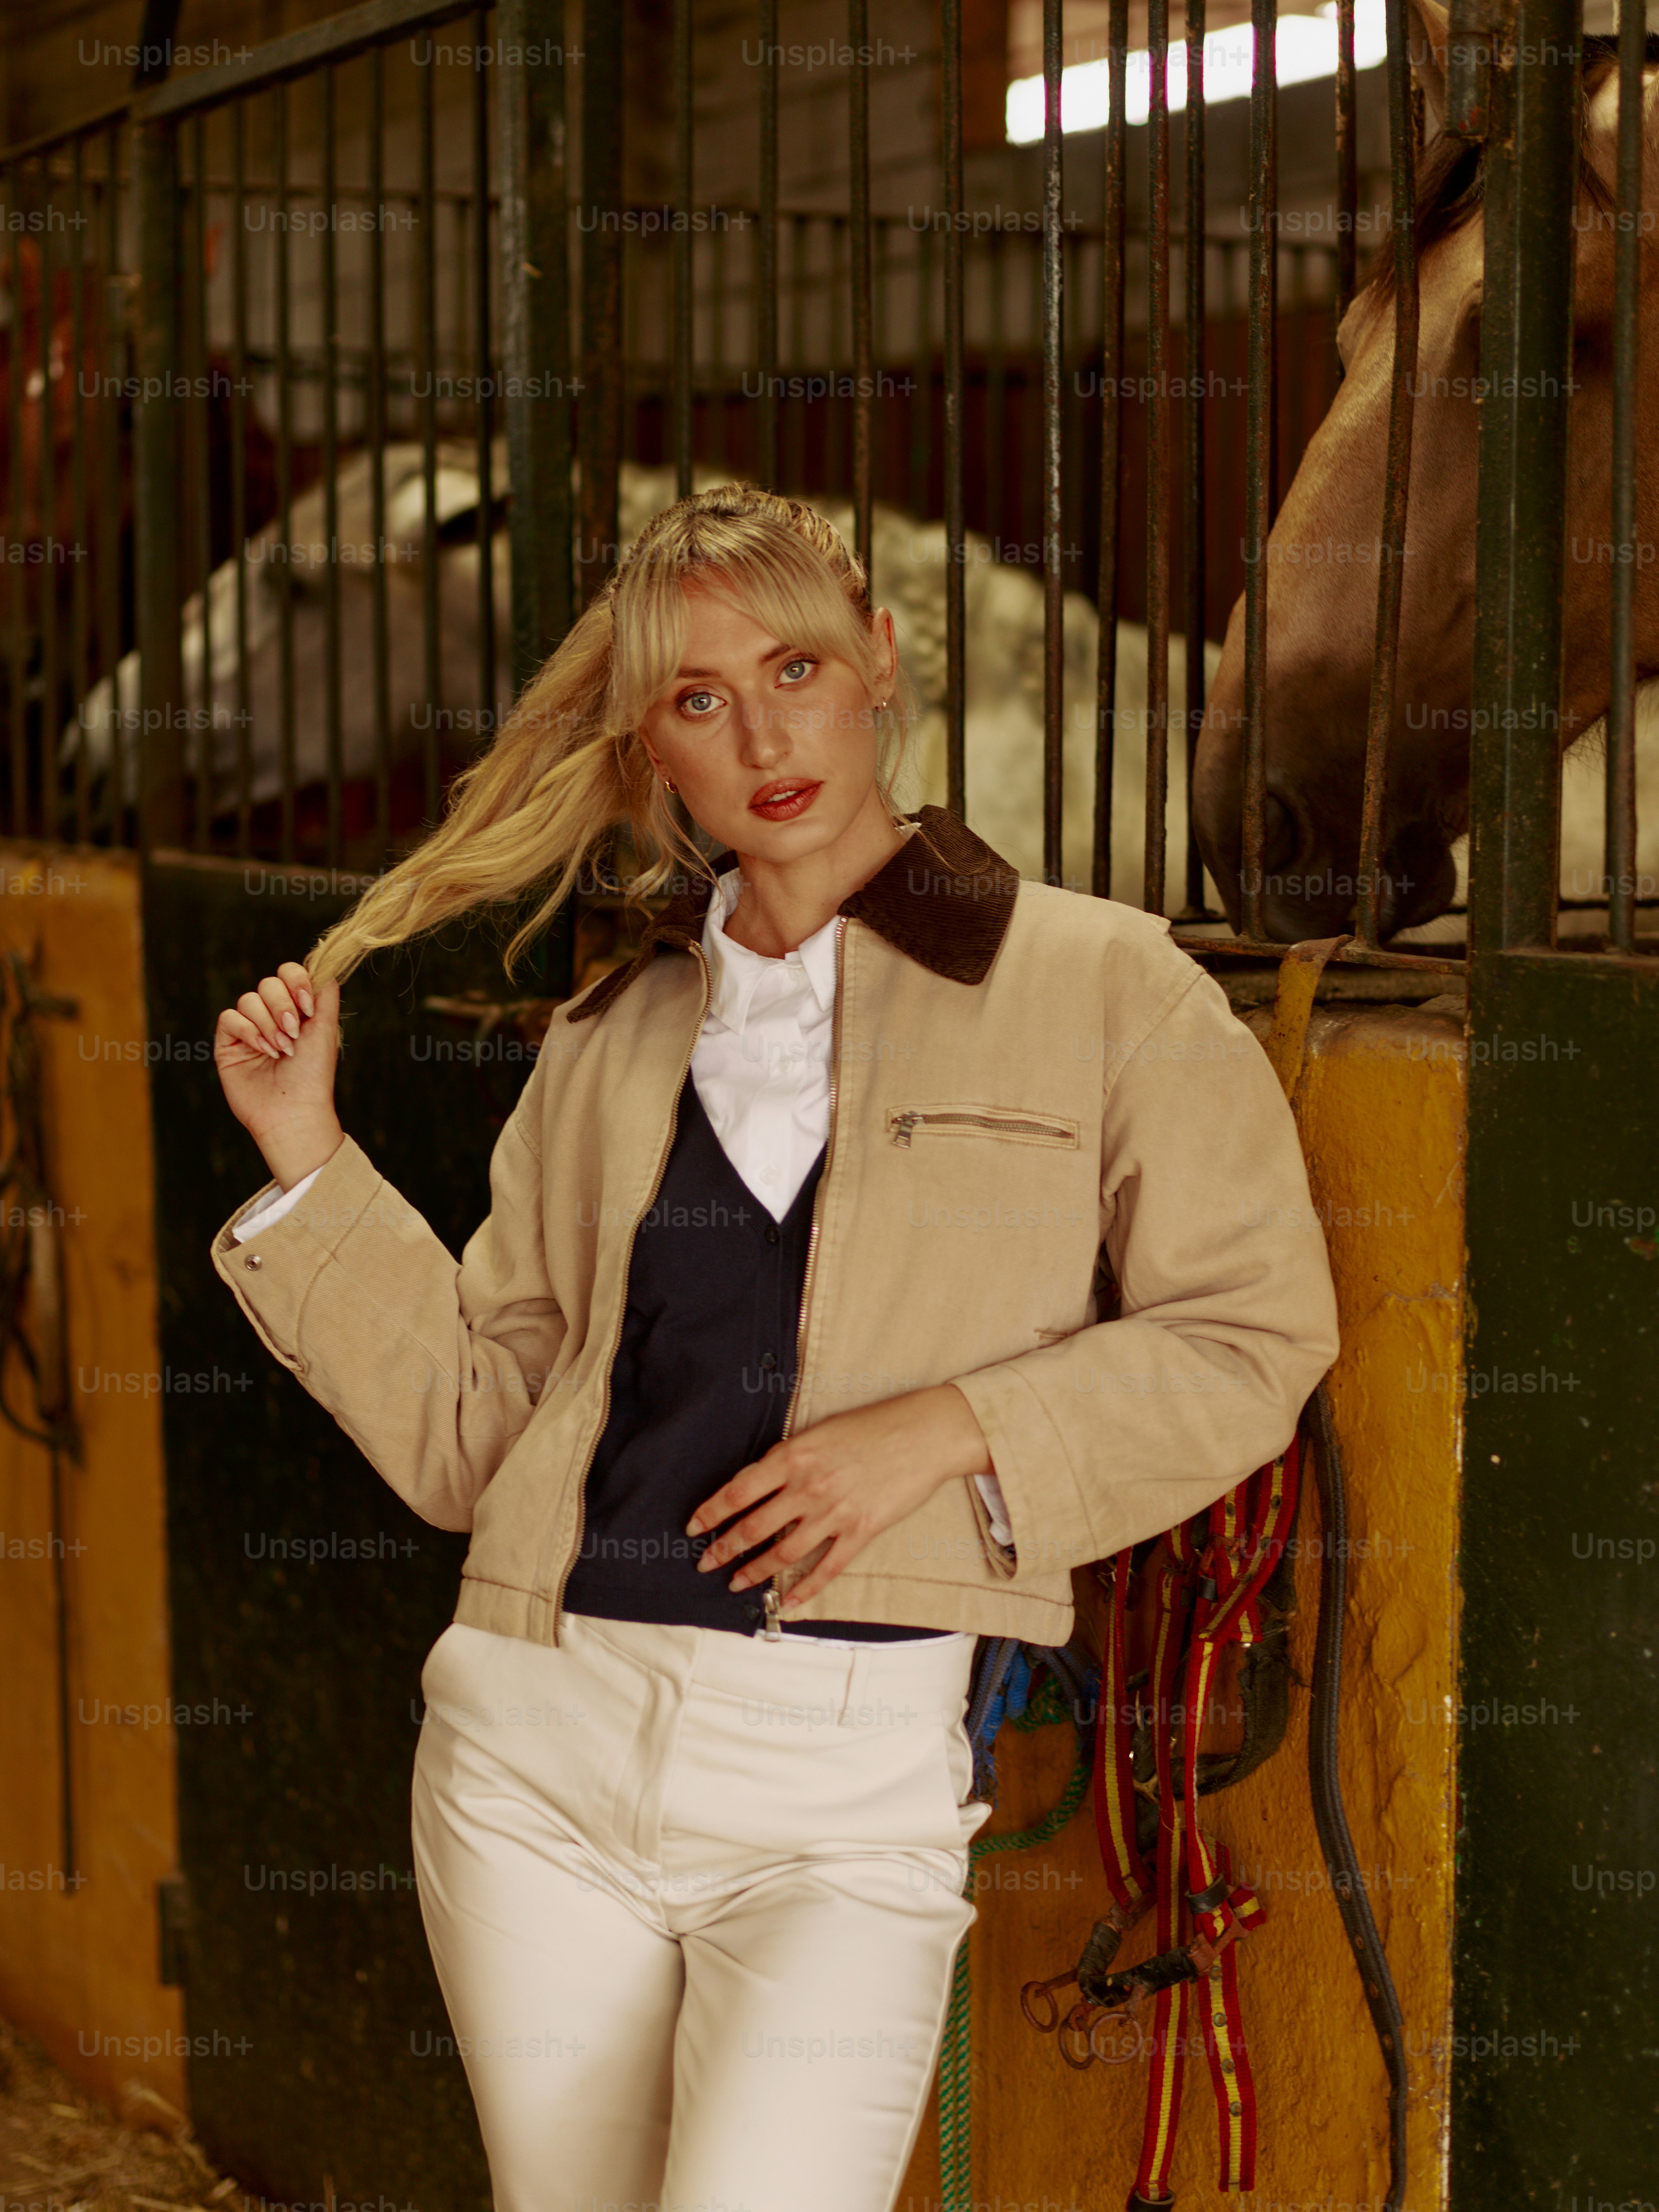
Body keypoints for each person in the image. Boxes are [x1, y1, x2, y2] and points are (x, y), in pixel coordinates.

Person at [210, 484, 1338, 2212]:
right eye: (699, 697)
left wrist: (950, 1425)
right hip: (536, 1748)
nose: (762, 736)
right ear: (653, 747)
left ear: (880, 659)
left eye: (795, 667)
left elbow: (1254, 1335)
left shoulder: (1109, 987)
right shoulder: (607, 1036)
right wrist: (306, 1155)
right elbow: (473, 1437)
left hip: (848, 1781)